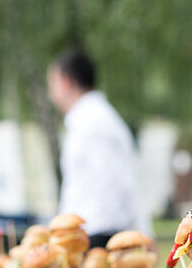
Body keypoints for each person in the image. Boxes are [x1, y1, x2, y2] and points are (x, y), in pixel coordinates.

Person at [47, 48, 151, 248]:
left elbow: (121, 181)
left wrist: (143, 233)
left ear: (65, 81)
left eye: (52, 85)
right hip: (93, 234)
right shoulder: (96, 118)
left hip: (98, 236)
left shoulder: (91, 123)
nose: (52, 95)